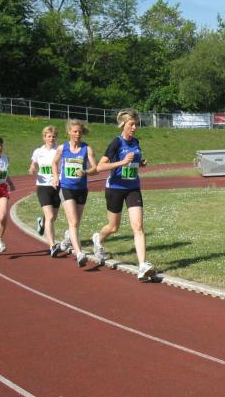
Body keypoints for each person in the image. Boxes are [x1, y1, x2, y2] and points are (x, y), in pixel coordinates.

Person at [92, 108, 156, 280]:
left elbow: (133, 161)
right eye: (131, 124)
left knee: (138, 226)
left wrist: (140, 163)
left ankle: (142, 265)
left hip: (133, 187)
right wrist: (122, 162)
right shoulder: (116, 143)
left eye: (136, 124)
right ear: (123, 124)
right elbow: (100, 167)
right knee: (113, 227)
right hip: (115, 187)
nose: (135, 128)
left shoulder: (136, 142)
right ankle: (98, 238)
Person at [51, 120, 98, 267]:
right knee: (73, 222)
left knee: (76, 222)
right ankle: (79, 253)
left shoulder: (87, 149)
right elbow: (54, 163)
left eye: (79, 132)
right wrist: (55, 177)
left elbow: (95, 168)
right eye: (75, 131)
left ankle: (67, 238)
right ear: (69, 132)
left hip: (81, 189)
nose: (77, 134)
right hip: (66, 188)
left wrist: (85, 172)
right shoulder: (62, 148)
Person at [29, 126, 62, 257]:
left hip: (57, 185)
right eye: (49, 136)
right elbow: (34, 164)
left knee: (53, 217)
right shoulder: (38, 151)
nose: (51, 138)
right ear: (44, 137)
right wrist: (32, 168)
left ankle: (41, 222)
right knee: (50, 216)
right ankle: (52, 246)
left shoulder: (59, 150)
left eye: (53, 136)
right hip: (43, 186)